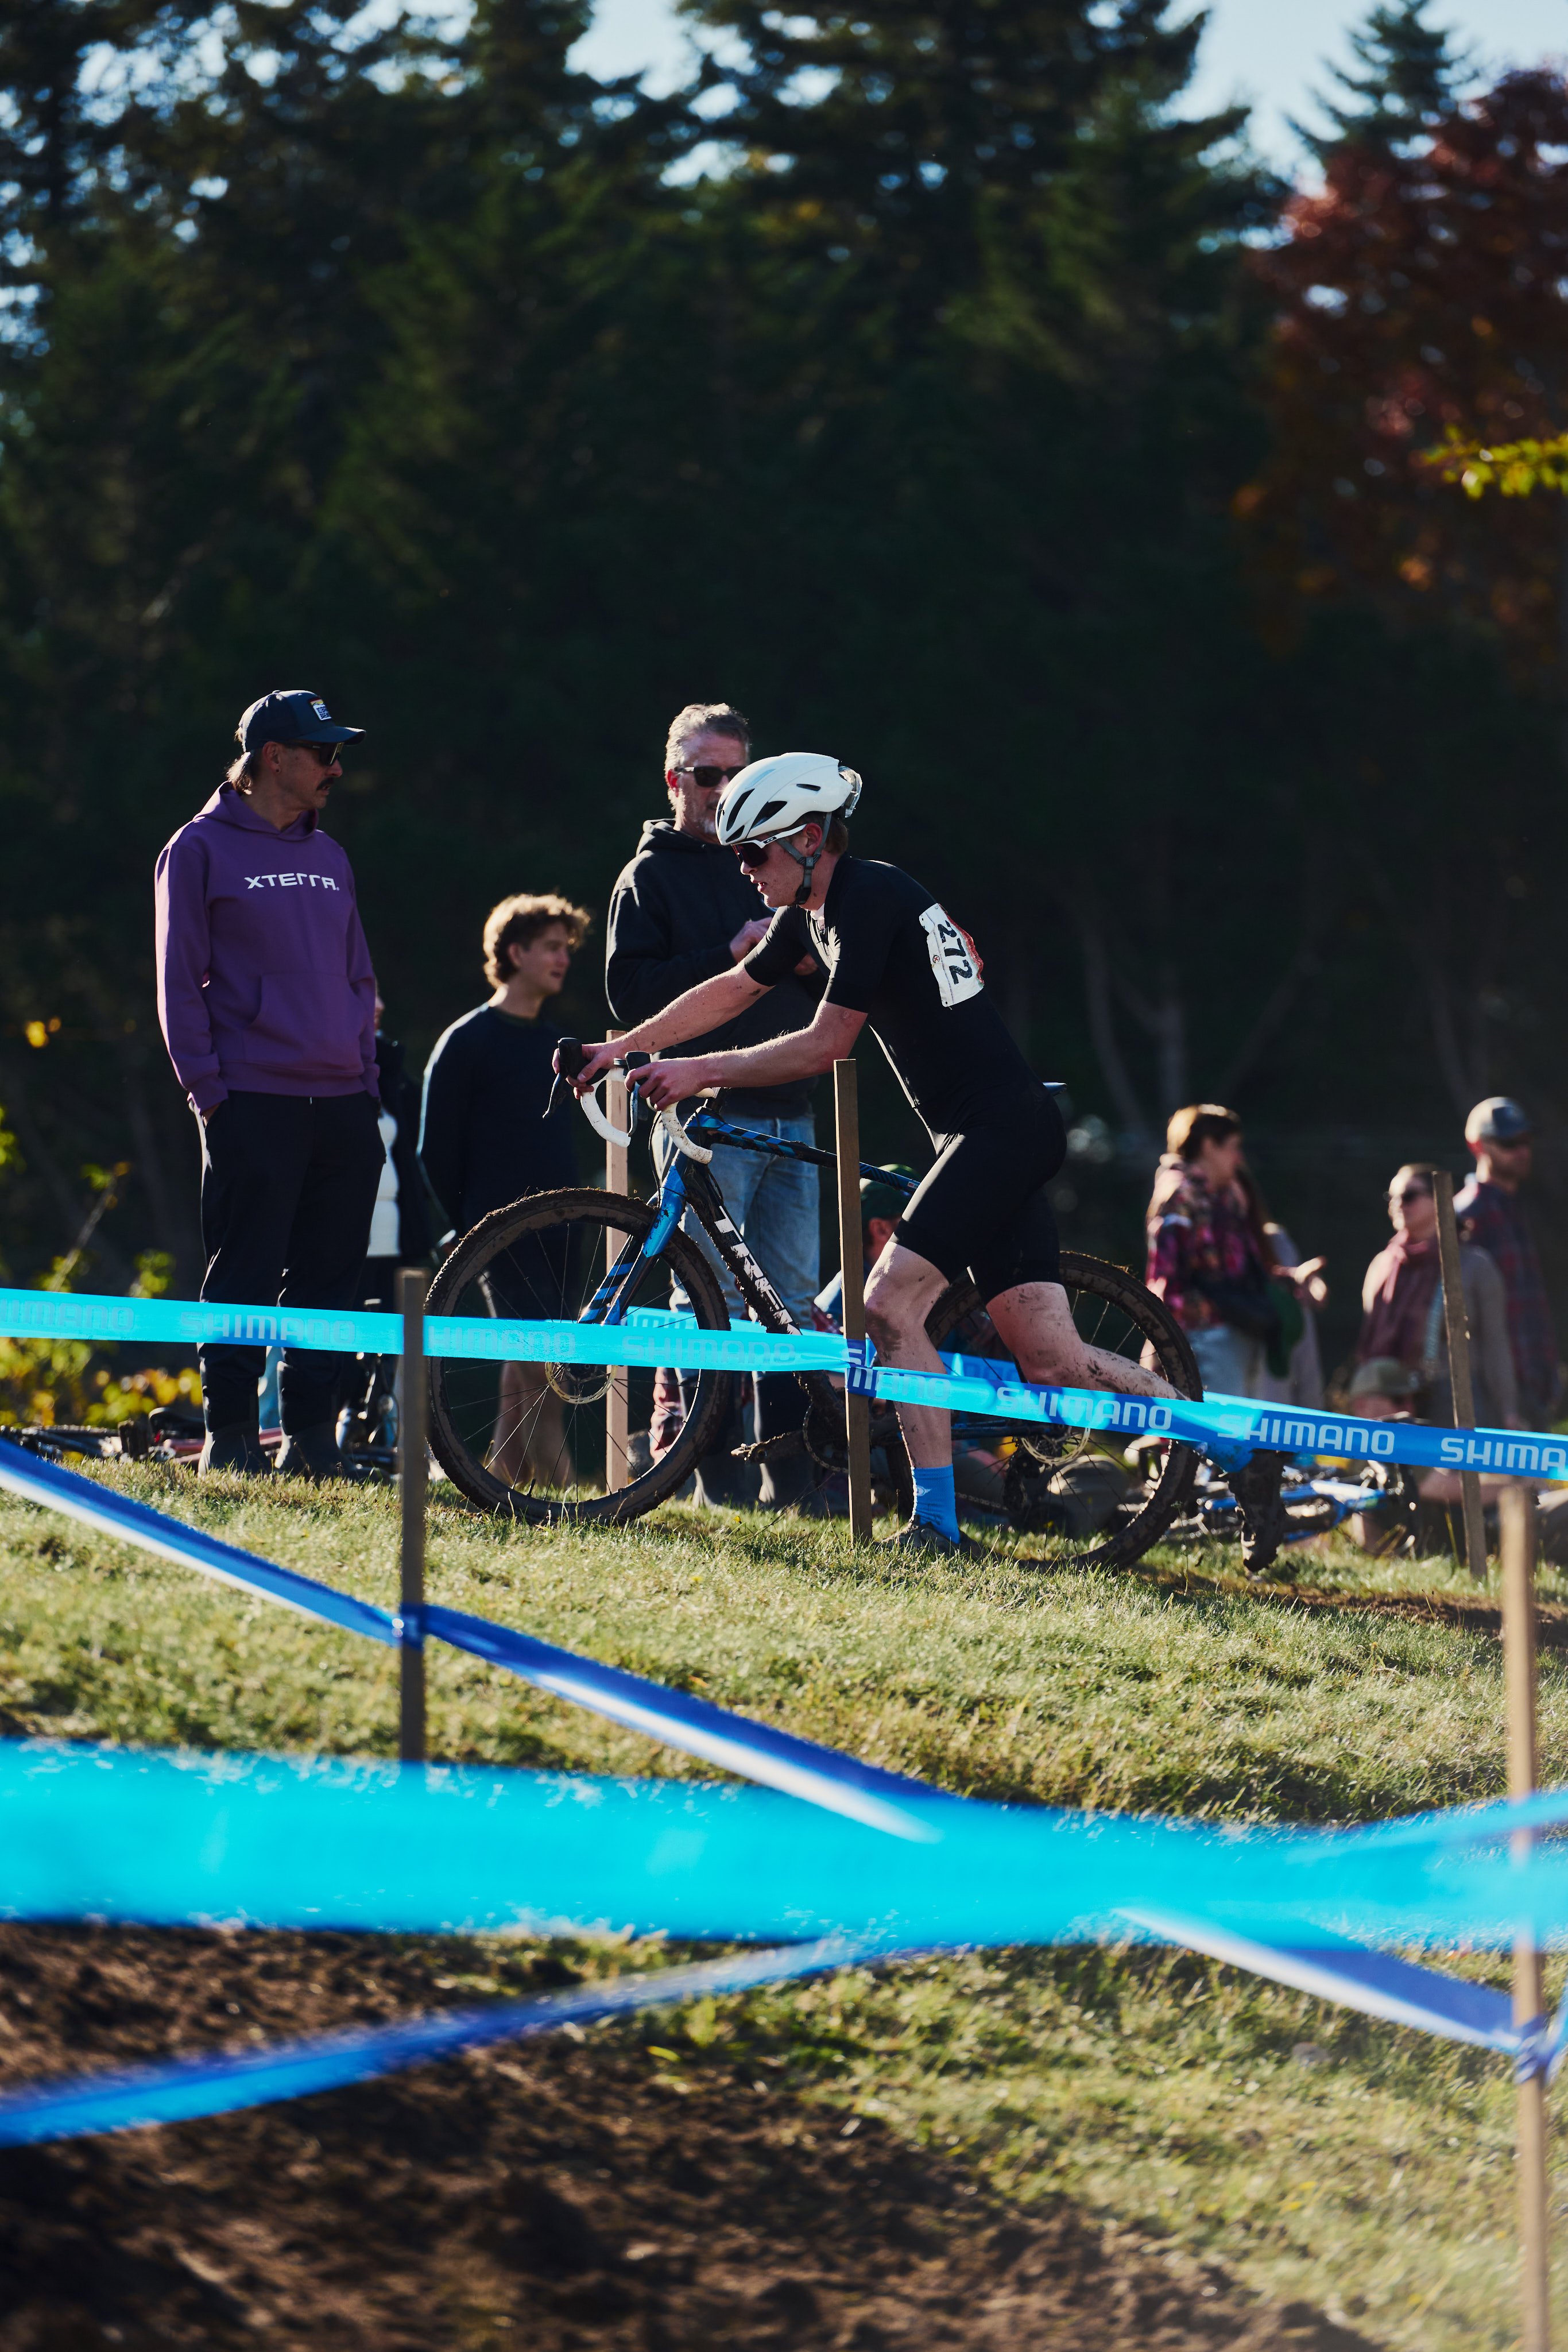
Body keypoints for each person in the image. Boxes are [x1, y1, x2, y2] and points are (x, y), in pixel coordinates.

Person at [568, 752, 1178, 1555]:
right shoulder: (811, 912)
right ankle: (1221, 1440)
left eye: (753, 852)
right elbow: (732, 989)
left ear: (808, 839)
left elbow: (825, 1044)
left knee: (888, 1306)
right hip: (992, 1130)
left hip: (999, 1129)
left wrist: (699, 1070)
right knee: (1052, 1361)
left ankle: (935, 1524)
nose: (742, 868)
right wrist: (623, 1049)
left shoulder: (868, 899)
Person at [154, 688, 384, 1479]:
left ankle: (311, 1438)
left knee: (330, 1275)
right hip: (251, 1096)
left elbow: (359, 976)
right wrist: (208, 1093)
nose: (336, 769)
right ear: (273, 758)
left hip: (344, 1100)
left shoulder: (331, 856)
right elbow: (177, 983)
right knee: (244, 1270)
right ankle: (230, 1436)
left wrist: (365, 1078)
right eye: (324, 753)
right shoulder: (197, 849)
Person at [605, 703, 826, 1510]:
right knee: (708, 1303)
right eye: (708, 774)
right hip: (703, 1119)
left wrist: (806, 961)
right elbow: (628, 998)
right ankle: (715, 1478)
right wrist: (726, 956)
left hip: (793, 1107)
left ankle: (794, 1481)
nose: (723, 788)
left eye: (738, 773)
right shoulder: (648, 876)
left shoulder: (773, 856)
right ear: (674, 780)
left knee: (792, 1303)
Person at [419, 892, 590, 1487]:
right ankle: (570, 1494)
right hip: (499, 1233)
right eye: (551, 947)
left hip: (564, 1230)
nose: (563, 959)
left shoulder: (559, 1045)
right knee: (536, 1363)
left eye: (566, 949)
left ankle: (501, 1479)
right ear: (515, 953)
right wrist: (468, 1226)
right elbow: (434, 1150)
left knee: (535, 1366)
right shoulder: (466, 1040)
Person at [1145, 1106, 1322, 1404]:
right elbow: (1167, 1285)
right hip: (1202, 1342)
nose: (1238, 1158)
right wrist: (1177, 1345)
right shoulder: (1180, 1197)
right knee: (1211, 1432)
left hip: (1234, 1338)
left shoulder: (1223, 1197)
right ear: (1208, 1146)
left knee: (1232, 1431)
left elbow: (1240, 1273)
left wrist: (1289, 1281)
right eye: (1233, 1147)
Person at [1350, 1163, 1519, 1429]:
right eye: (1391, 1198)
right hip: (1393, 1399)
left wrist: (1509, 1411)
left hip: (1457, 1400)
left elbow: (1496, 1345)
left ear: (1438, 1200)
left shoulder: (1475, 1265)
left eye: (1409, 1196)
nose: (1398, 1204)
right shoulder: (1382, 1265)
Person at [1454, 1097, 1560, 1430]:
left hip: (1533, 1381)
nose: (1522, 1151)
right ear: (1477, 1146)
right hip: (1494, 1392)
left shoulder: (1515, 1208)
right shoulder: (1465, 1215)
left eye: (1525, 1141)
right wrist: (1503, 1399)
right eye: (1509, 1143)